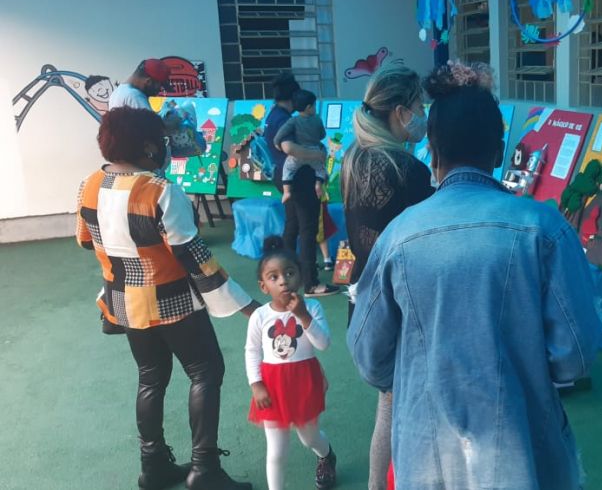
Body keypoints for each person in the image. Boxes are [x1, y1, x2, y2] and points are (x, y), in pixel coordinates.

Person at [347, 61, 602, 489]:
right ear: (500, 152)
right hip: (524, 449)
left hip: (426, 455)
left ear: (433, 151)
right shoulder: (544, 229)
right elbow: (575, 352)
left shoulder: (398, 236)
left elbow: (370, 357)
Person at [76, 106, 258, 489]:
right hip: (172, 302)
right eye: (160, 141)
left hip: (124, 302)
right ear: (147, 147)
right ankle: (204, 469)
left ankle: (154, 465)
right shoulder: (160, 191)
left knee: (150, 377)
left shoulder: (89, 184)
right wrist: (247, 306)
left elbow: (84, 240)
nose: (164, 147)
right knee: (205, 371)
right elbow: (194, 256)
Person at [339, 65, 434, 490]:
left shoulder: (353, 157)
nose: (422, 114)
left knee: (389, 404)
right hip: (399, 306)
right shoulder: (406, 169)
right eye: (419, 106)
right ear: (400, 112)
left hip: (363, 301)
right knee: (401, 409)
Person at [246, 236, 337, 490]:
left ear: (300, 276)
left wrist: (303, 316)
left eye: (289, 273)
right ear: (263, 286)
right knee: (276, 452)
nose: (283, 281)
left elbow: (323, 344)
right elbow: (251, 351)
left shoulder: (313, 307)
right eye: (273, 277)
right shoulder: (259, 316)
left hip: (304, 383)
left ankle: (326, 455)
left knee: (309, 438)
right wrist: (256, 384)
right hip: (272, 388)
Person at [263, 73, 337, 297]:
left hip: (284, 176)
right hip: (300, 179)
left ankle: (284, 274)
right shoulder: (285, 119)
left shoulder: (273, 115)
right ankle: (311, 283)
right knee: (307, 229)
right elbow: (288, 148)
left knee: (293, 225)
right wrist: (317, 155)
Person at [274, 90, 328, 205]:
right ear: (309, 107)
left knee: (288, 169)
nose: (315, 108)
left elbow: (281, 133)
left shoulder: (293, 120)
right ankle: (318, 185)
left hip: (298, 154)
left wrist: (276, 142)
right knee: (320, 169)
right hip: (314, 152)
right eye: (314, 105)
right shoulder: (317, 119)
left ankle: (287, 192)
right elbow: (323, 135)